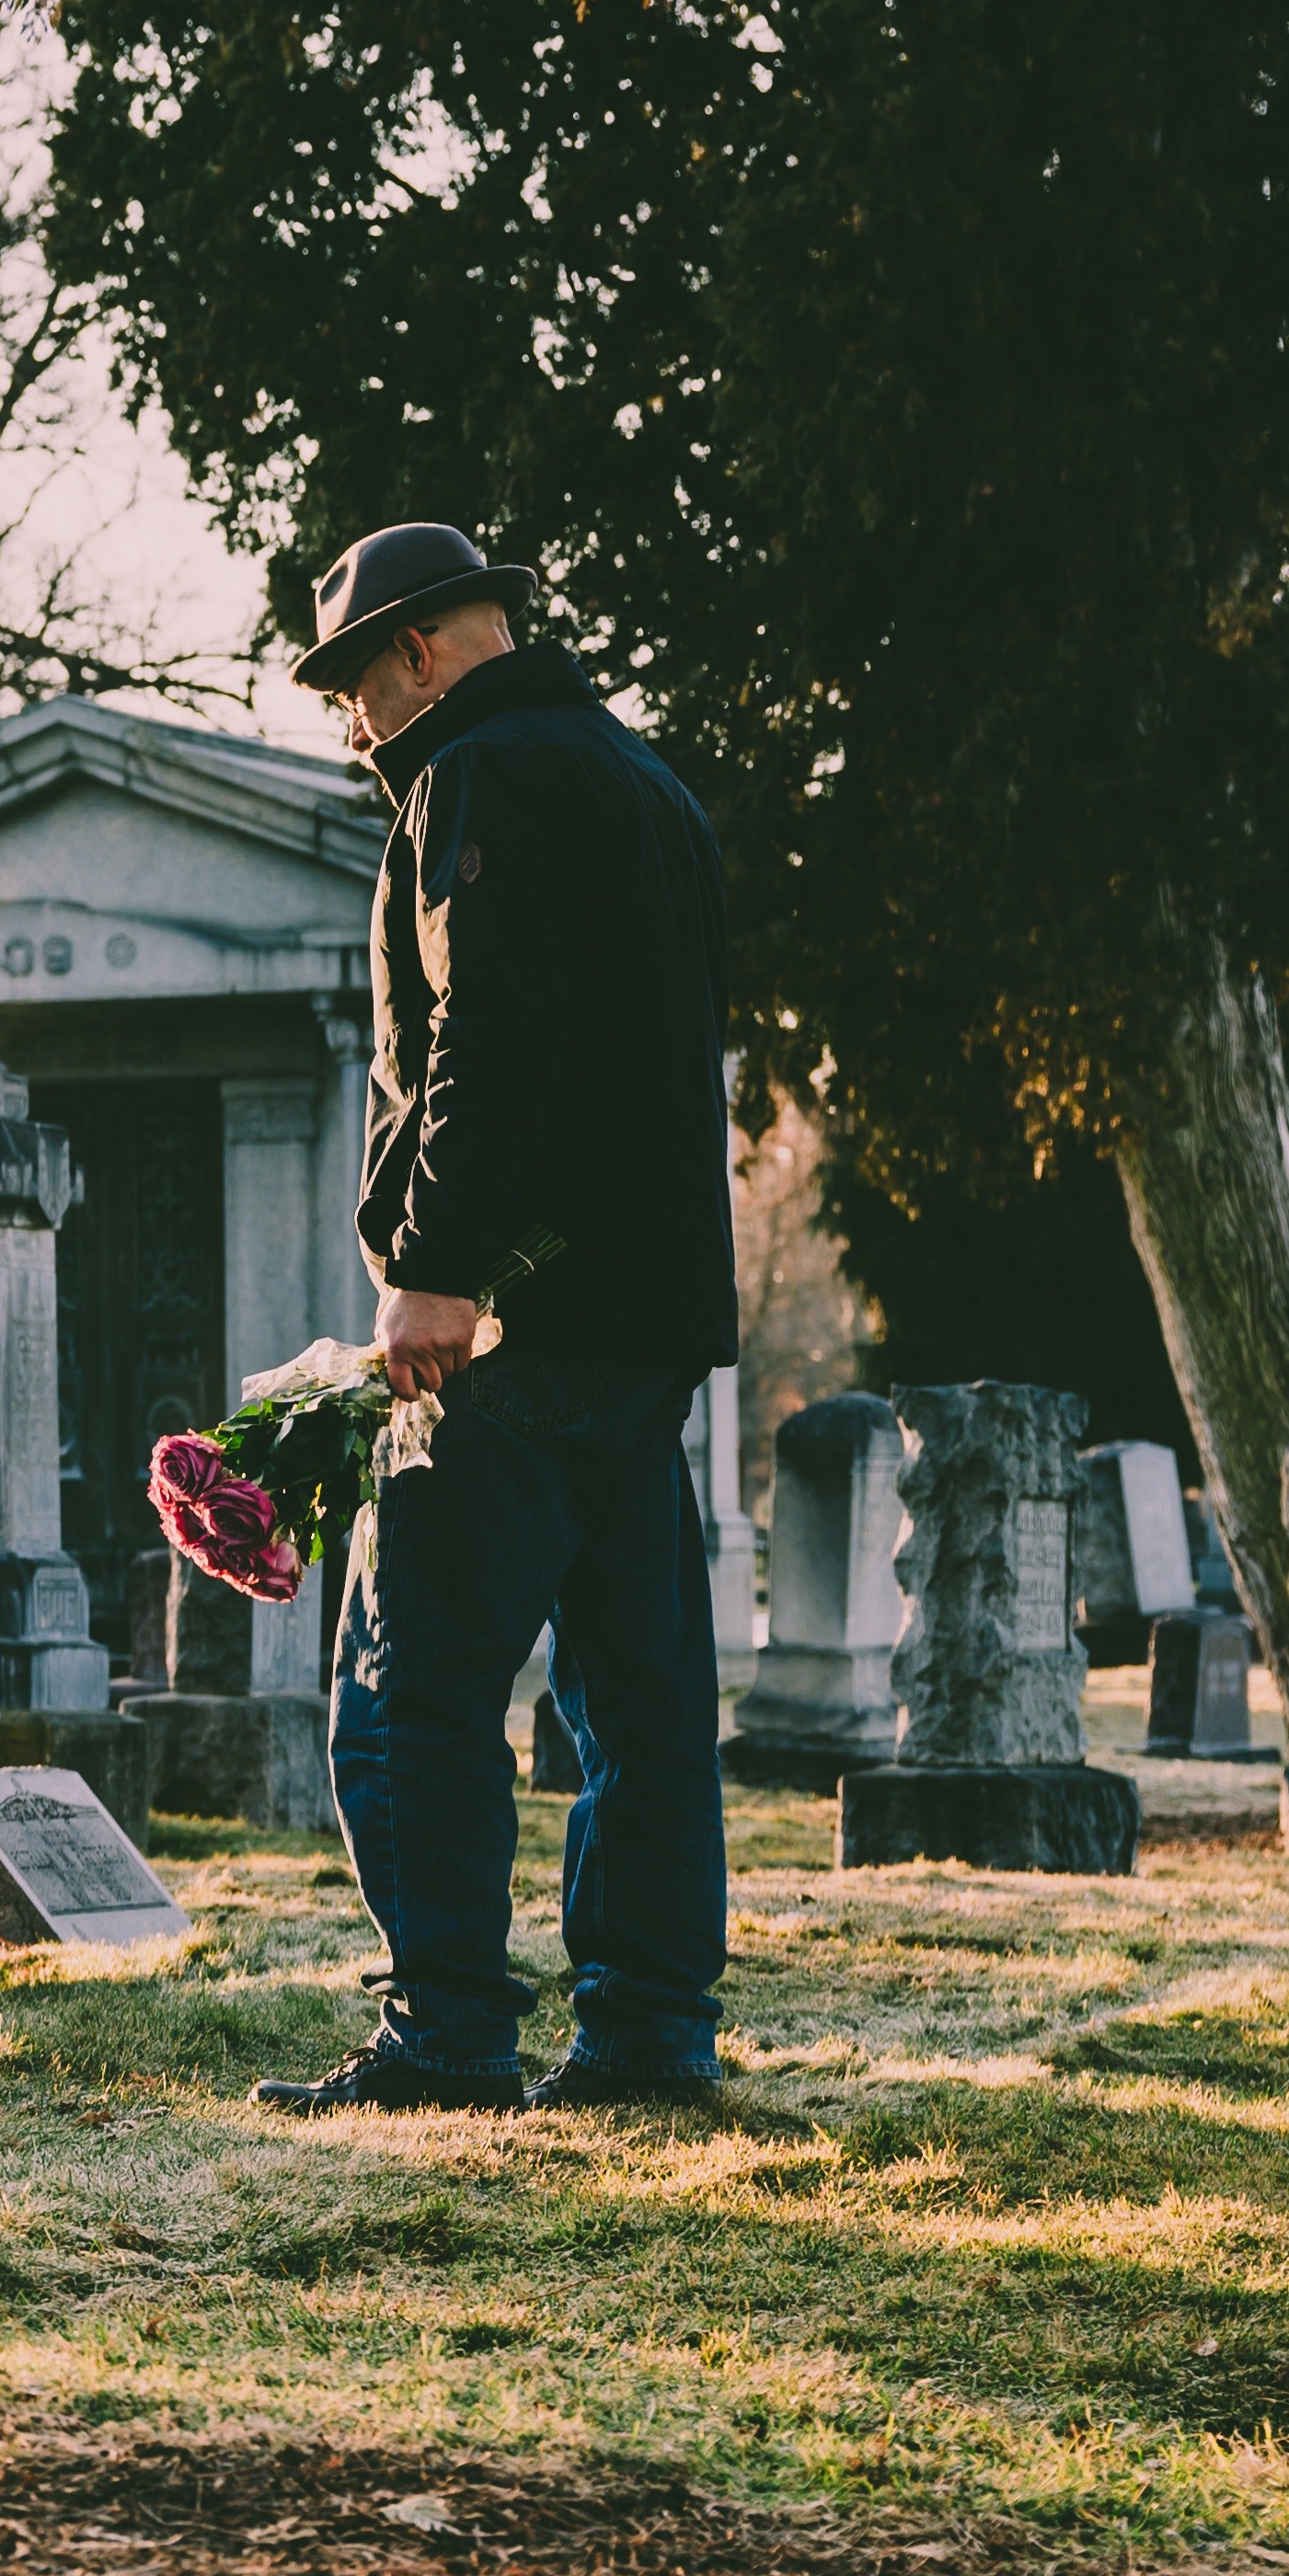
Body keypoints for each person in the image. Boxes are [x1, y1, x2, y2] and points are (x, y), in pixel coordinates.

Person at [251, 523, 739, 2117]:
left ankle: (450, 2029)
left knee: (410, 1685)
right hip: (645, 1324)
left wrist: (436, 1268)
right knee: (638, 1697)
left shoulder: (481, 778)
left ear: (414, 651)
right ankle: (648, 2033)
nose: (347, 722)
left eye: (347, 682)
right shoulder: (649, 787)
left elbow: (487, 1038)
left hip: (509, 1317)